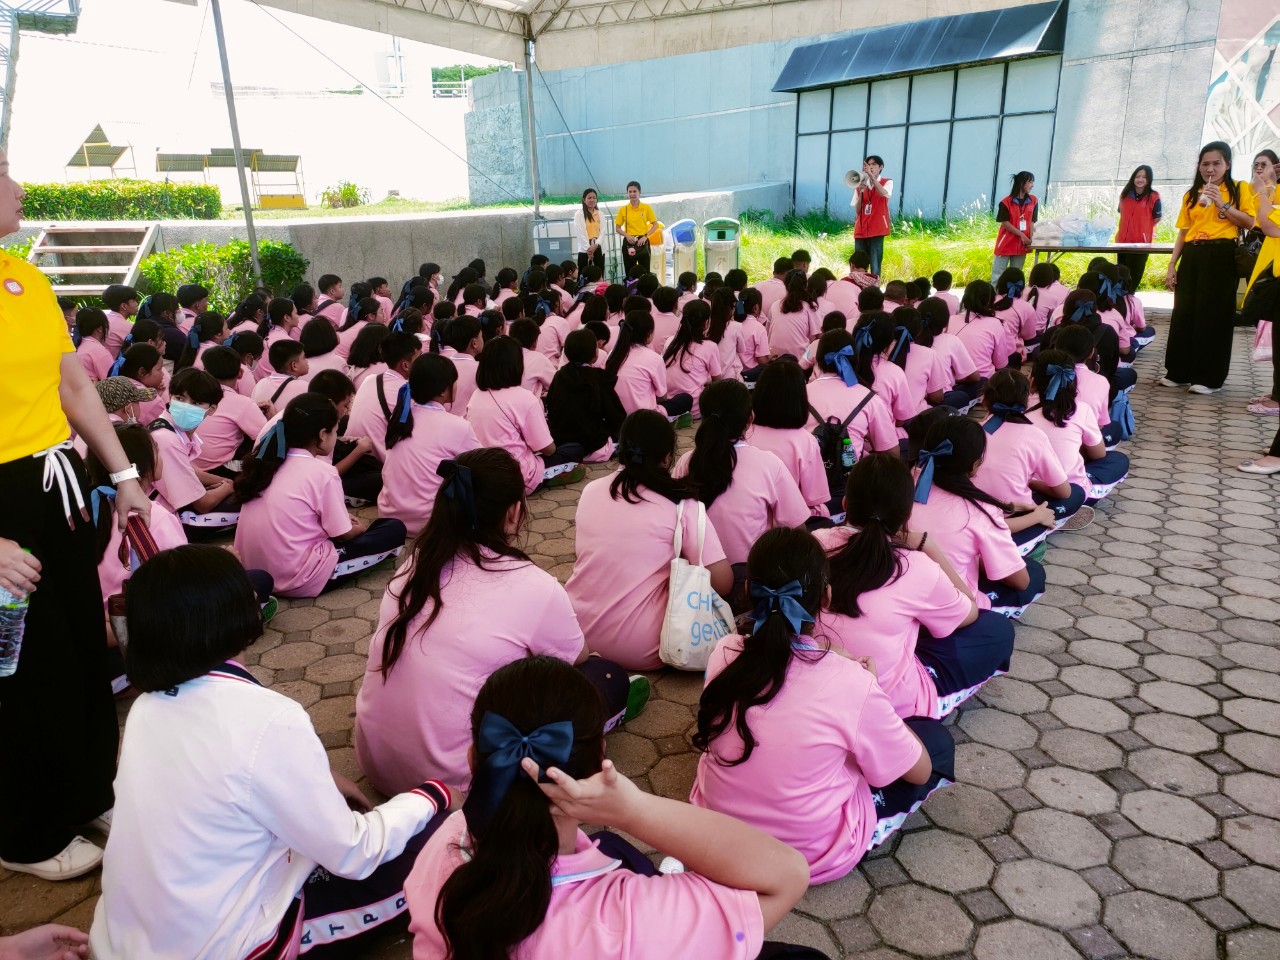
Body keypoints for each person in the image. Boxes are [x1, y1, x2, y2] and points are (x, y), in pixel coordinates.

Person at [88, 545, 450, 960]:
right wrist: (434, 794)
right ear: (238, 617)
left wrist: (321, 778)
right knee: (443, 840)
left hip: (124, 940)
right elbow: (354, 851)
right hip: (227, 947)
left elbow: (231, 769)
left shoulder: (146, 708)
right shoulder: (269, 718)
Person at [404, 655, 812, 960]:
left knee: (613, 850)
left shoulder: (444, 841)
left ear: (473, 759)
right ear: (600, 759)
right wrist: (632, 810)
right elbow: (787, 874)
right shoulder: (629, 924)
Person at [0, 147, 153, 883]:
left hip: (53, 482)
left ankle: (91, 792)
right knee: (21, 668)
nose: (18, 186)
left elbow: (73, 388)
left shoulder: (24, 278)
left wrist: (123, 476)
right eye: (2, 170)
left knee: (80, 652)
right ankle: (25, 833)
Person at [357, 448, 641, 798]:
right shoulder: (533, 585)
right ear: (513, 512)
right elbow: (577, 657)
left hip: (379, 766)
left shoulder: (416, 564)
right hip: (460, 784)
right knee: (605, 675)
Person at [691, 526, 951, 884]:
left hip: (714, 838)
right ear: (826, 597)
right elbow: (918, 772)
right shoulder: (852, 682)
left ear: (748, 590)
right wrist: (871, 690)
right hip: (807, 856)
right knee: (935, 744)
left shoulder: (724, 652)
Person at [816, 455, 1015, 719]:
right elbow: (969, 611)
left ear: (845, 504)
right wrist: (928, 546)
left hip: (814, 688)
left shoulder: (814, 542)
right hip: (885, 703)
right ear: (907, 514)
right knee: (996, 629)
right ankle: (924, 711)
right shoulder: (915, 566)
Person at [567, 411, 733, 670]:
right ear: (667, 458)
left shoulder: (590, 491)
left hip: (577, 631)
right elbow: (723, 583)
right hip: (642, 647)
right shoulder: (682, 505)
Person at [234, 394, 407, 597]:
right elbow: (343, 534)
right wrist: (357, 529)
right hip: (298, 577)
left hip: (253, 570)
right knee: (393, 529)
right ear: (323, 434)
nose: (336, 437)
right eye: (335, 431)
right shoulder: (322, 472)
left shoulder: (265, 463)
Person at [673, 380, 809, 594]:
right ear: (750, 419)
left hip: (696, 585)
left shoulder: (686, 462)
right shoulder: (769, 464)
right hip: (750, 584)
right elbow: (797, 529)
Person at [910, 416, 1046, 617]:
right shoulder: (980, 511)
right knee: (1034, 573)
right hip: (950, 606)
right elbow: (1020, 581)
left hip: (898, 592)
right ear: (975, 464)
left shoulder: (904, 484)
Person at [1163, 141, 1258, 393]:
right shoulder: (1191, 195)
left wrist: (1222, 204)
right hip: (1193, 253)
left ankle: (1208, 378)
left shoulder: (1239, 188)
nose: (1210, 169)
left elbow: (1250, 222)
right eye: (1205, 164)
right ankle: (1179, 371)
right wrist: (1172, 264)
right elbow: (1183, 232)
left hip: (1221, 254)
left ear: (1227, 165)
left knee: (1214, 315)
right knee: (1184, 311)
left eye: (1216, 163)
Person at [378, 355, 480, 539]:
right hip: (430, 522)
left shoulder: (400, 418)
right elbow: (482, 464)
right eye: (454, 381)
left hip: (390, 517)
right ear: (443, 391)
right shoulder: (457, 426)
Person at [466, 336, 585, 493]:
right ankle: (550, 476)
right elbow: (548, 449)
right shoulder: (524, 397)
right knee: (574, 449)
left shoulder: (476, 396)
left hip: (485, 474)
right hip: (518, 475)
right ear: (516, 364)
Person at [976, 369, 1090, 532]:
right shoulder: (1034, 435)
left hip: (973, 510)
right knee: (1076, 492)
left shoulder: (972, 430)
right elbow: (1063, 492)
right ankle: (1043, 527)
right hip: (1015, 515)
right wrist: (1030, 482)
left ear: (985, 400)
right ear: (1027, 398)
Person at [1026, 350, 1130, 503]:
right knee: (1118, 460)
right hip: (1069, 489)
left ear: (1032, 382)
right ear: (1073, 381)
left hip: (1023, 487)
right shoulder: (1081, 410)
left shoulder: (1020, 409)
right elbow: (1098, 454)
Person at [747, 361, 831, 517]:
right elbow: (813, 498)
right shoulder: (805, 441)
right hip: (788, 523)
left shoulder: (744, 433)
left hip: (750, 519)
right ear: (800, 398)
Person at [545, 328, 627, 462]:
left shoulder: (559, 376)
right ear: (594, 354)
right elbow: (616, 416)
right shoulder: (598, 378)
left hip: (563, 444)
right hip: (594, 446)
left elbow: (551, 407)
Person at [605, 310, 693, 418]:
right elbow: (662, 397)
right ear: (649, 333)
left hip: (617, 416)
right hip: (646, 418)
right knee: (685, 399)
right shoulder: (654, 358)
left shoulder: (612, 354)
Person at [663, 300, 723, 418]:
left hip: (669, 406)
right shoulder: (710, 346)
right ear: (705, 322)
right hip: (694, 409)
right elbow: (717, 381)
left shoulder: (671, 342)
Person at [948, 281, 1011, 381]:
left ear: (965, 298)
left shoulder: (950, 320)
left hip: (951, 381)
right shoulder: (995, 323)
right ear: (990, 301)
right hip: (983, 381)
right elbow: (1000, 363)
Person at [1115, 164, 1163, 288]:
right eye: (1138, 176)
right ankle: (1120, 299)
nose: (1140, 179)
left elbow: (1157, 218)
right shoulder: (1124, 195)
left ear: (1149, 179)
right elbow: (1121, 213)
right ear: (1133, 178)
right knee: (1120, 277)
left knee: (1134, 277)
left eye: (1144, 177)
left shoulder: (1154, 197)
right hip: (1122, 243)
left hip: (1141, 244)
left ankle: (1130, 298)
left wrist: (1144, 229)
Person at [991, 171, 1038, 282]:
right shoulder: (1006, 202)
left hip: (1022, 244)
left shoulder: (1034, 201)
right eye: (1030, 182)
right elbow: (1005, 222)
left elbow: (1032, 222)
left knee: (1016, 275)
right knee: (998, 276)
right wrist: (1021, 235)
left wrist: (1031, 239)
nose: (1032, 185)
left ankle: (1014, 294)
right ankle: (995, 293)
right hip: (1005, 243)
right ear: (1021, 183)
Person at [852, 155, 893, 277]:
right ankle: (859, 285)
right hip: (861, 229)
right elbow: (857, 210)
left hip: (877, 229)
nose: (871, 167)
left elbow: (884, 193)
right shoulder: (860, 184)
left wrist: (872, 178)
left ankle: (875, 285)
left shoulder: (887, 182)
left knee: (875, 264)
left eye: (874, 164)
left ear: (881, 167)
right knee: (859, 262)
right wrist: (861, 191)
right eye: (868, 165)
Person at [614, 181, 661, 278]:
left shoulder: (646, 207)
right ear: (627, 193)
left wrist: (645, 236)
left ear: (640, 192)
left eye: (634, 191)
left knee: (645, 272)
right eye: (630, 192)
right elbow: (617, 228)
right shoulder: (623, 209)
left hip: (642, 242)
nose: (632, 194)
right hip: (629, 242)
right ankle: (631, 286)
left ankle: (645, 287)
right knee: (629, 271)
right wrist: (627, 236)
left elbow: (655, 225)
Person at [574, 189, 606, 274]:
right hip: (585, 248)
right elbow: (579, 233)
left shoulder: (600, 214)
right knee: (584, 274)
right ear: (584, 200)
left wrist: (596, 245)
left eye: (594, 198)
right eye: (589, 198)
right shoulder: (579, 214)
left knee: (599, 273)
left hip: (598, 246)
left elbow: (603, 231)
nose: (592, 200)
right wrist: (589, 249)